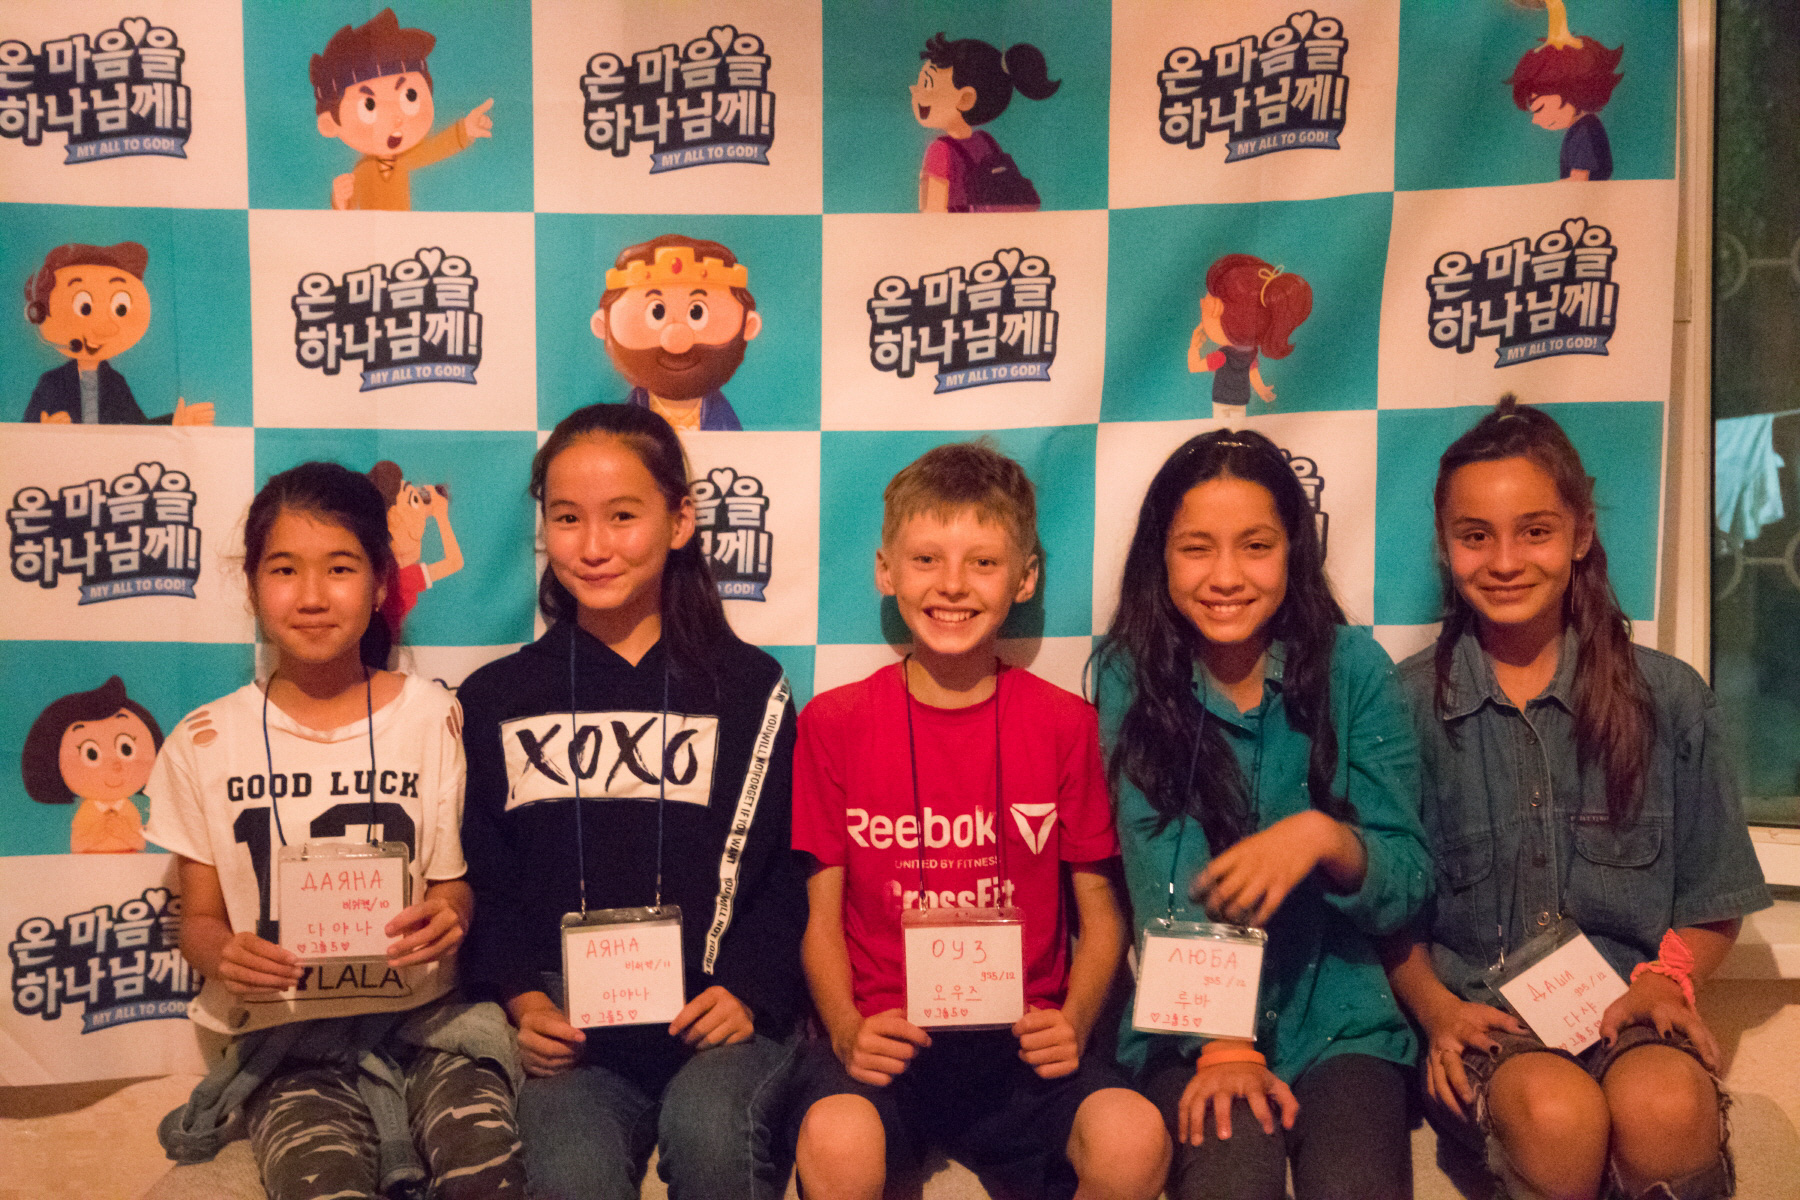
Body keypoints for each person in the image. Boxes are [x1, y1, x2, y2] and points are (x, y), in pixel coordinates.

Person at [1385, 395, 1770, 1200]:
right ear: (1445, 544)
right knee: (1558, 1115)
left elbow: (1714, 894)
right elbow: (1385, 908)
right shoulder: (1403, 708)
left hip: (1631, 1010)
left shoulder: (1669, 698)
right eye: (1475, 536)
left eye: (1535, 531)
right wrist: (1436, 1011)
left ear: (1581, 533)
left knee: (1667, 1106)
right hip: (1484, 1024)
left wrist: (1666, 981)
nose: (1504, 561)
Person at [791, 441, 1169, 1200]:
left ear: (1024, 578)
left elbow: (1102, 920)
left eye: (984, 563)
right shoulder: (834, 723)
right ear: (886, 570)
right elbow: (819, 921)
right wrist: (846, 1027)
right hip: (888, 1039)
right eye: (926, 560)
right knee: (837, 1141)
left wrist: (1074, 1020)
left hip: (1022, 1045)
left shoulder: (1065, 725)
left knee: (1134, 1140)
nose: (953, 585)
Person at [145, 461, 526, 1199]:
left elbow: (451, 884)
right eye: (285, 569)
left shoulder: (432, 716)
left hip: (427, 1025)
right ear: (252, 585)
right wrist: (225, 954)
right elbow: (199, 922)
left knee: (489, 1172)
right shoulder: (203, 741)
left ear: (382, 584)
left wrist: (447, 917)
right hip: (287, 1044)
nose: (313, 595)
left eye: (341, 568)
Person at [457, 402, 805, 1200]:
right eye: (566, 518)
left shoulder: (750, 688)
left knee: (712, 1135)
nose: (593, 546)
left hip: (717, 1017)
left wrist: (749, 991)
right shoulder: (496, 697)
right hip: (574, 1036)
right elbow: (486, 880)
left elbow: (789, 871)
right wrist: (522, 1000)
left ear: (680, 521)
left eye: (622, 515)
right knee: (572, 1177)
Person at [1093, 429, 1430, 1200]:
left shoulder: (1356, 668)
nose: (1225, 576)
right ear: (1160, 558)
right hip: (1188, 1025)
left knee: (1353, 1186)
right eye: (1196, 549)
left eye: (1255, 546)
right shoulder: (1129, 677)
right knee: (1232, 1179)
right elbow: (1161, 884)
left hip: (1340, 1021)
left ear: (1293, 551)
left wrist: (1324, 838)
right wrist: (1222, 1042)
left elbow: (1408, 883)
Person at [310, 7, 494, 211]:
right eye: (369, 106)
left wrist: (466, 129)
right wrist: (340, 199)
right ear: (330, 124)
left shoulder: (409, 159)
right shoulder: (362, 170)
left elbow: (436, 148)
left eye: (410, 96)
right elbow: (350, 214)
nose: (395, 118)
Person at [22, 241, 214, 425]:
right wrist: (45, 428)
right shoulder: (51, 382)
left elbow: (137, 429)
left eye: (120, 309)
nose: (104, 328)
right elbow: (23, 431)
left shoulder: (115, 383)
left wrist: (175, 423)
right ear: (39, 312)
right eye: (85, 308)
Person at [589, 235, 760, 432]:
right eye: (657, 312)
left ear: (748, 326)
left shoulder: (724, 422)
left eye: (697, 313)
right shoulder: (625, 422)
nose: (676, 339)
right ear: (603, 325)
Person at [911, 33, 1058, 213]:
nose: (914, 90)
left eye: (927, 84)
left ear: (966, 99)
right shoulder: (987, 141)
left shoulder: (940, 150)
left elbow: (934, 215)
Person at [21, 675, 162, 853]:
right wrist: (99, 832)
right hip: (88, 864)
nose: (114, 765)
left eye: (126, 749)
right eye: (91, 754)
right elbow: (78, 845)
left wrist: (122, 832)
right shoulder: (86, 812)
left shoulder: (129, 810)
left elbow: (140, 843)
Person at [1506, 0, 1623, 182]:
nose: (1535, 120)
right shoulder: (1581, 129)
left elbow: (1578, 182)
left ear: (1574, 93)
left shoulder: (1585, 131)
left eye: (1540, 108)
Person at [1186, 254, 1312, 421]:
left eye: (1205, 306)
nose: (1202, 303)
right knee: (1237, 423)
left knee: (1222, 425)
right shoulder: (1249, 353)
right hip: (1241, 398)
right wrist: (1261, 389)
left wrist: (1194, 346)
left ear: (1217, 311)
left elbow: (1194, 367)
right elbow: (1253, 372)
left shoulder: (1222, 357)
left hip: (1223, 399)